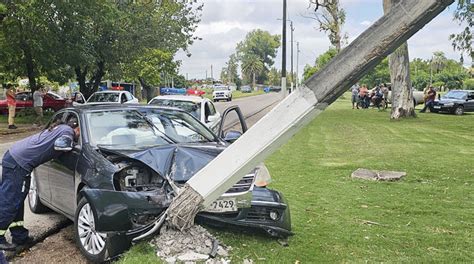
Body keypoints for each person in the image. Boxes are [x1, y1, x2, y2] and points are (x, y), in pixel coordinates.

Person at [0, 115, 78, 250]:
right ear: (76, 127)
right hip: (19, 164)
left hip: (15, 158)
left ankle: (20, 236)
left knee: (17, 200)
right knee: (10, 201)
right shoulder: (67, 131)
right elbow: (64, 145)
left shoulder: (60, 128)